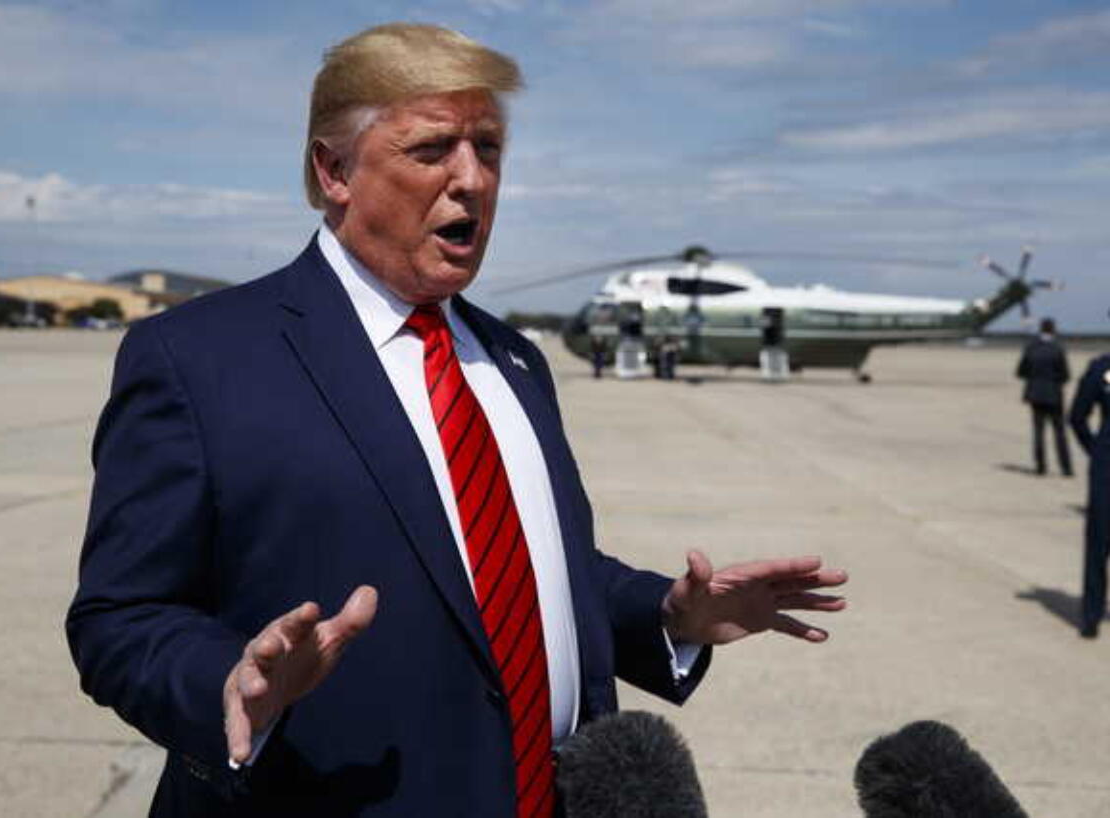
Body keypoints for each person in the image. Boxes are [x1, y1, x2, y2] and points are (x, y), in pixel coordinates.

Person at [66, 23, 846, 817]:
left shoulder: (513, 360)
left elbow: (526, 572)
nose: (472, 179)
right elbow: (118, 617)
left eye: (490, 149)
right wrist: (227, 682)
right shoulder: (198, 357)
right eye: (433, 150)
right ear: (333, 170)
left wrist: (671, 614)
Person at [1069, 334, 1110, 639]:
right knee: (1098, 541)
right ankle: (1091, 614)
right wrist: (1096, 450)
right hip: (1106, 469)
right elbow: (1077, 417)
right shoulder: (1100, 370)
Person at [1016, 317, 1072, 476]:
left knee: (1038, 432)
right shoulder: (1057, 348)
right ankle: (1066, 467)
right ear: (1053, 330)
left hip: (1035, 394)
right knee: (1059, 432)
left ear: (1041, 329)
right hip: (1054, 394)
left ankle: (1041, 467)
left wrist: (1034, 379)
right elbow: (1065, 374)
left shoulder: (1031, 348)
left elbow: (1020, 371)